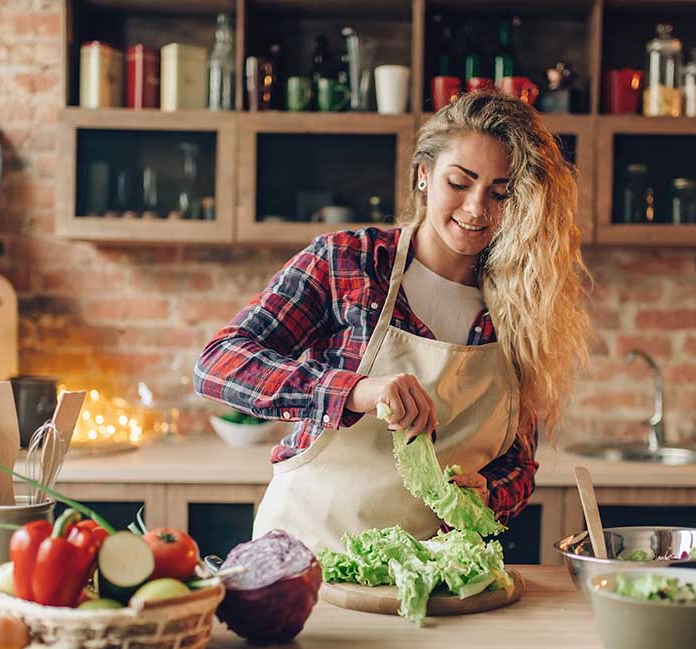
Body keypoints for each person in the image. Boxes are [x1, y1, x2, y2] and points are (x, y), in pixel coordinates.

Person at [194, 91, 589, 552]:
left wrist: (490, 495)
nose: (477, 209)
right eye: (459, 183)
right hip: (306, 557)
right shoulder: (348, 262)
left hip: (426, 576)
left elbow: (518, 466)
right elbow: (218, 365)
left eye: (500, 194)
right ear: (424, 175)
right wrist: (355, 391)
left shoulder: (519, 307)